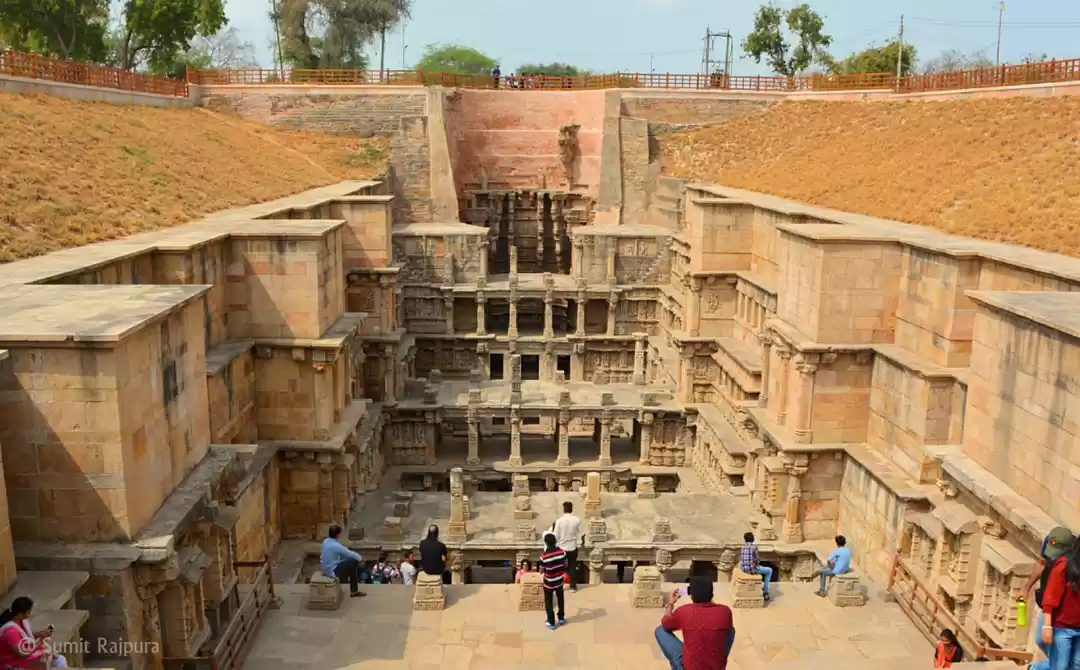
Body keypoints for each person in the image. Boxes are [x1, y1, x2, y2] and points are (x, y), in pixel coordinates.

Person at [1021, 526, 1075, 670]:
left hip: (1063, 614)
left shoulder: (1071, 560)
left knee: (1065, 664)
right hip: (1048, 606)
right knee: (1041, 640)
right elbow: (1042, 563)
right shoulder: (1050, 542)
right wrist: (1026, 588)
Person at [655, 576, 735, 670]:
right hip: (715, 666)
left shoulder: (684, 611)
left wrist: (670, 604)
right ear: (712, 594)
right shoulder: (725, 611)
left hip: (691, 667)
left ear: (692, 596)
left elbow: (666, 624)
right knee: (730, 629)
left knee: (660, 630)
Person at [1040, 535, 1080, 670]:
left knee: (1076, 666)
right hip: (1062, 628)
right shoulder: (1064, 565)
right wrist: (1047, 626)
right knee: (1060, 667)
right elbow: (1050, 598)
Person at [0, 597, 68, 668]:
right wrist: (39, 643)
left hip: (24, 656)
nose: (30, 613)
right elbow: (21, 654)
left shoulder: (21, 621)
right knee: (47, 661)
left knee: (59, 659)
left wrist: (39, 634)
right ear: (20, 614)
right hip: (12, 663)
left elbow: (24, 636)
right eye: (28, 612)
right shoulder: (10, 631)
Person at [320, 524, 367, 597]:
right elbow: (349, 553)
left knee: (351, 563)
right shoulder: (335, 546)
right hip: (332, 571)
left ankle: (354, 589)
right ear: (338, 535)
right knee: (353, 561)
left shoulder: (326, 541)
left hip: (327, 567)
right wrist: (361, 559)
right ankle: (354, 589)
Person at [538, 532, 568, 630]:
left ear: (546, 543)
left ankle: (551, 622)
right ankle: (561, 617)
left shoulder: (543, 557)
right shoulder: (562, 552)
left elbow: (541, 571)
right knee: (561, 599)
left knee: (549, 602)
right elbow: (566, 565)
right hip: (559, 580)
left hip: (549, 582)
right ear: (555, 541)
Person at [553, 501, 582, 592]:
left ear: (564, 509)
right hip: (572, 547)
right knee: (573, 567)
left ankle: (559, 585)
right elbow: (580, 533)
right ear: (572, 509)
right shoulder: (577, 520)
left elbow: (556, 535)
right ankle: (573, 586)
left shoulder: (559, 521)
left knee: (560, 567)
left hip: (562, 548)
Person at [738, 532, 772, 602]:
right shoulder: (754, 547)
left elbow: (741, 558)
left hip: (743, 569)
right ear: (753, 539)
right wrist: (757, 564)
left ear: (745, 540)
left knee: (759, 567)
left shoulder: (743, 547)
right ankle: (766, 592)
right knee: (769, 570)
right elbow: (757, 559)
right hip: (752, 570)